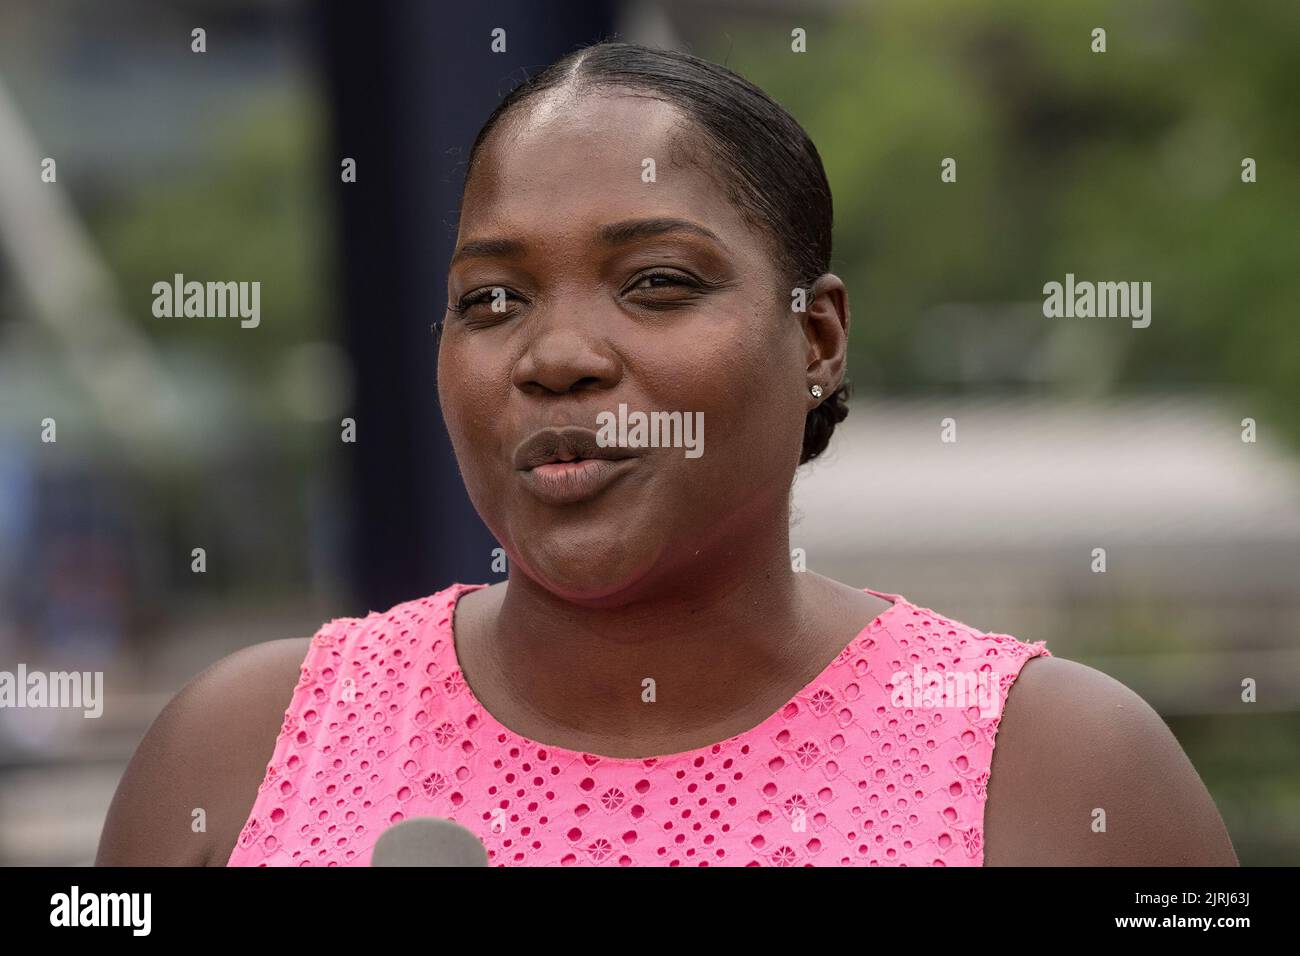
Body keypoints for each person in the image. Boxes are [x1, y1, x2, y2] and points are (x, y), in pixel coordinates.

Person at [97, 41, 1237, 867]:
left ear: (817, 337)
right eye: (490, 299)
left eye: (656, 284)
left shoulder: (1061, 769)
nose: (557, 356)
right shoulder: (240, 749)